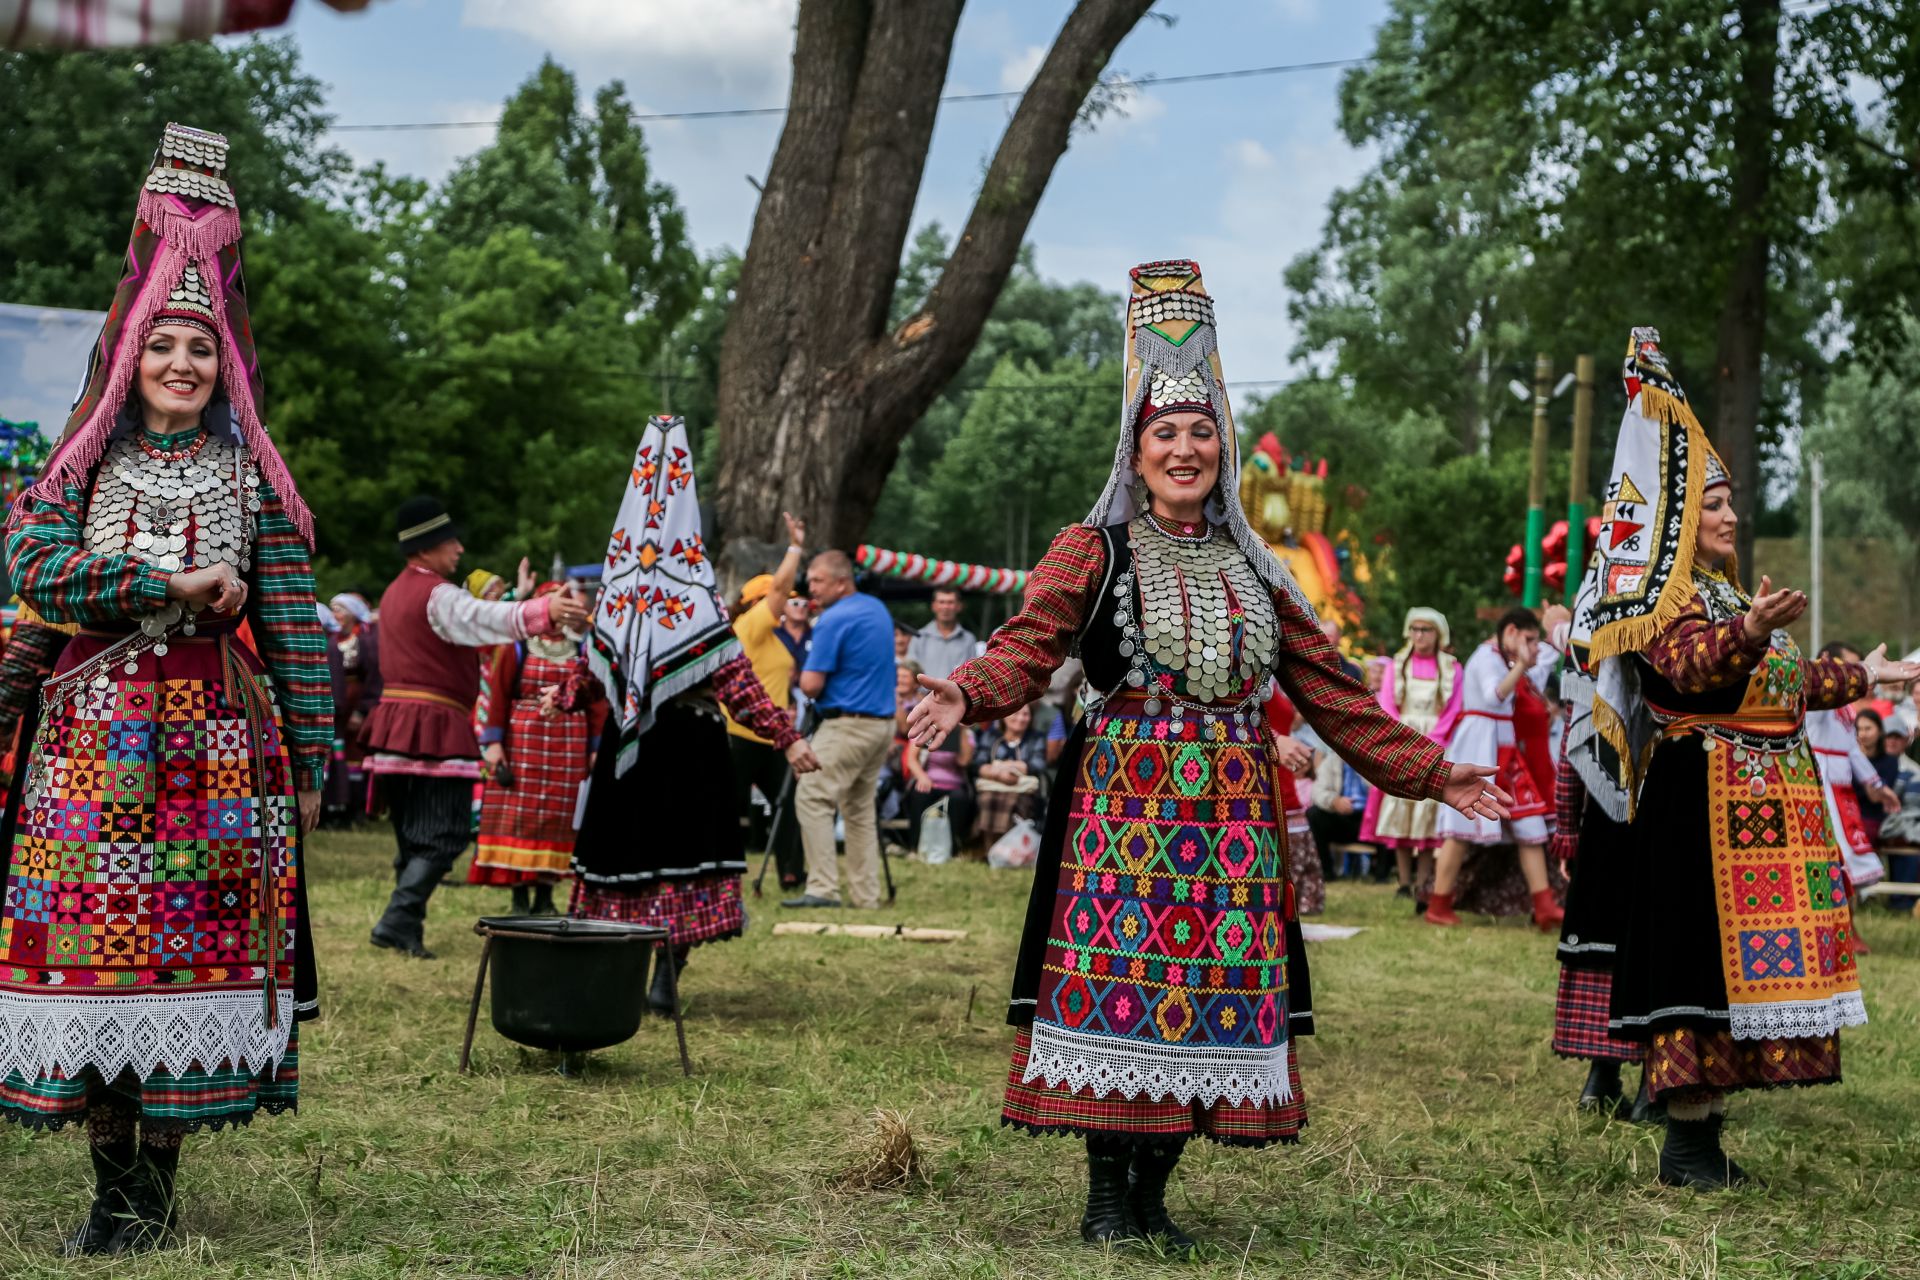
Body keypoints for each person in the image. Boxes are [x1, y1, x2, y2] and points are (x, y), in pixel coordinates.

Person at [905, 260, 1508, 1250]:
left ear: (1221, 445)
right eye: (1164, 432)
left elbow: (1334, 695)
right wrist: (965, 691)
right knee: (1123, 990)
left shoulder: (1258, 568)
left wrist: (1437, 770)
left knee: (1213, 1002)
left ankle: (1155, 1194)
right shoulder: (1090, 550)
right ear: (1135, 450)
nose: (1184, 448)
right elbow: (1028, 645)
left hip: (1233, 820)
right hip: (1122, 811)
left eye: (1200, 430)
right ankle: (1109, 1202)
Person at [0, 125, 332, 1253]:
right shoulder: (74, 468)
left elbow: (292, 627)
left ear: (220, 361)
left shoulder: (254, 477)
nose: (182, 363)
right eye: (163, 346)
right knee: (95, 958)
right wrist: (156, 578)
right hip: (89, 757)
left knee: (183, 952)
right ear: (130, 354)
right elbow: (31, 569)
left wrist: (316, 765)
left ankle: (155, 1186)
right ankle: (109, 1180)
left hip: (215, 766)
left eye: (200, 345)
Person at [1565, 327, 1919, 1187]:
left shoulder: (1722, 591)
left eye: (1731, 505)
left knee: (1734, 983)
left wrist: (1863, 673)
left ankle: (1705, 1141)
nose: (1730, 517)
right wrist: (1750, 632)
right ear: (1679, 519)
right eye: (1712, 506)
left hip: (1757, 804)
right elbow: (1689, 671)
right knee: (1696, 972)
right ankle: (1685, 1147)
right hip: (1699, 805)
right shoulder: (1661, 602)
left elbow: (1783, 684)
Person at [568, 416, 818, 1011]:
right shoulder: (698, 607)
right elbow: (740, 685)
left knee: (629, 855)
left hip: (629, 746)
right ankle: (663, 978)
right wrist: (786, 737)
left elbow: (587, 674)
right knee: (676, 859)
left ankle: (632, 976)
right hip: (686, 751)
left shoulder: (618, 600)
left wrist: (568, 695)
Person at [361, 496, 590, 959]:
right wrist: (542, 611)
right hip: (433, 724)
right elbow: (487, 618)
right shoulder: (437, 594)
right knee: (443, 832)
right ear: (427, 547)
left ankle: (406, 926)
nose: (460, 549)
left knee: (412, 832)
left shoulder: (393, 591)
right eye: (451, 542)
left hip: (395, 724)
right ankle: (397, 918)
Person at [466, 583, 604, 914]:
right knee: (519, 818)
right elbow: (497, 693)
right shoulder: (516, 646)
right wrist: (494, 743)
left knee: (558, 818)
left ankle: (545, 894)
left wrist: (596, 746)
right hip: (522, 742)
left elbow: (597, 701)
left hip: (569, 746)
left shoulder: (583, 648)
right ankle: (518, 895)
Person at [1428, 604, 1568, 931]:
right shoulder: (1484, 657)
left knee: (1531, 824)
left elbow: (1535, 670)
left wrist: (1554, 635)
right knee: (1461, 831)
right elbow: (1495, 696)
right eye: (1529, 640)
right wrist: (1521, 663)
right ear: (1511, 633)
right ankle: (1438, 904)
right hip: (1479, 750)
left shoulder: (1504, 659)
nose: (1532, 647)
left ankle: (1544, 905)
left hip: (1505, 753)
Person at [785, 551, 899, 910]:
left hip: (848, 724)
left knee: (812, 795)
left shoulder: (834, 618)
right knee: (859, 809)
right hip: (881, 725)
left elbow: (811, 685)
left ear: (840, 581)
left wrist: (801, 672)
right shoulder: (876, 609)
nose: (811, 588)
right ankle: (866, 897)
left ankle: (822, 889)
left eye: (818, 581)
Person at [725, 515, 810, 890]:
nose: (785, 605)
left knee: (788, 805)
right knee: (729, 809)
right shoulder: (750, 627)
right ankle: (722, 875)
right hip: (738, 731)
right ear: (755, 603)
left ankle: (790, 873)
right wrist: (795, 547)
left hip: (773, 734)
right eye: (777, 602)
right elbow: (778, 589)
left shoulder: (775, 641)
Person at [1359, 608, 1462, 901]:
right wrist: (1402, 740)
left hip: (1436, 743)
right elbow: (1388, 705)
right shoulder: (1397, 665)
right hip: (1402, 740)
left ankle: (1425, 881)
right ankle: (1404, 882)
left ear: (1438, 633)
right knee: (1400, 807)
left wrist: (1433, 742)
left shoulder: (1452, 668)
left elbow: (1453, 709)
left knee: (1429, 810)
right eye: (1415, 629)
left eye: (1425, 630)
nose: (1419, 635)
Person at [1807, 643, 1892, 896]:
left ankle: (1847, 924)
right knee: (1832, 853)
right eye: (1851, 667)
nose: (1856, 674)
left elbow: (1852, 749)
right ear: (1826, 661)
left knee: (1847, 851)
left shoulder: (1846, 705)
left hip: (1842, 788)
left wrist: (1877, 785)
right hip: (1820, 783)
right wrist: (1825, 674)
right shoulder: (1817, 695)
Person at [973, 704, 1051, 845]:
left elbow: (1038, 765)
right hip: (992, 785)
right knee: (988, 799)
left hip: (1022, 790)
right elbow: (978, 764)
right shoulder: (991, 736)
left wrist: (1003, 765)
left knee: (1013, 802)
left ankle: (1009, 849)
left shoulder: (1036, 738)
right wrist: (999, 775)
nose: (1021, 718)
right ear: (1005, 717)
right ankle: (989, 846)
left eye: (1025, 714)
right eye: (1015, 714)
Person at [907, 586, 978, 682]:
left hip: (955, 696)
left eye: (950, 602)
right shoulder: (919, 636)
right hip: (924, 696)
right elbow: (910, 671)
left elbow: (971, 674)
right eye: (941, 602)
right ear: (934, 606)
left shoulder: (968, 639)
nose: (945, 607)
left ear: (959, 606)